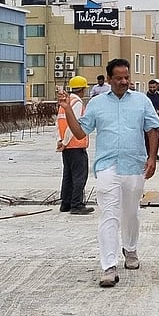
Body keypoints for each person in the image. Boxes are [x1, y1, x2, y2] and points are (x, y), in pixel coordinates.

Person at [57, 58, 159, 288]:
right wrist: (67, 110)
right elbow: (79, 131)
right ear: (109, 79)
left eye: (127, 77)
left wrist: (152, 157)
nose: (124, 81)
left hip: (135, 165)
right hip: (107, 167)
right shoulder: (96, 104)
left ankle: (131, 249)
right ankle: (109, 265)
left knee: (131, 212)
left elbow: (153, 129)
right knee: (109, 213)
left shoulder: (141, 101)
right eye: (119, 78)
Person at [56, 75, 93, 215]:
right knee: (79, 176)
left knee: (68, 176)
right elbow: (74, 125)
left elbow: (59, 123)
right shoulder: (76, 102)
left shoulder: (65, 101)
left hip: (66, 146)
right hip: (75, 145)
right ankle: (77, 204)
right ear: (83, 89)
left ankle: (65, 203)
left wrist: (60, 141)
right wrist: (65, 142)